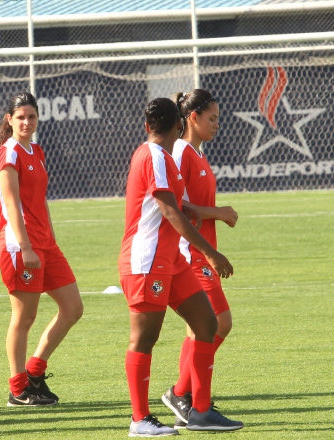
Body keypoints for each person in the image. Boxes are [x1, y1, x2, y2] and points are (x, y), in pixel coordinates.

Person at [119, 98, 244, 436]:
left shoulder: (164, 158)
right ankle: (139, 419)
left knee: (207, 324)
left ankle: (200, 411)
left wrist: (192, 211)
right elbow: (170, 212)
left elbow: (176, 205)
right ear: (179, 125)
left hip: (172, 261)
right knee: (145, 338)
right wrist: (212, 254)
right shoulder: (155, 156)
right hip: (147, 261)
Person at [0, 92, 83, 406]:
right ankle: (18, 389)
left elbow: (39, 200)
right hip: (21, 247)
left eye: (31, 116)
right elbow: (11, 205)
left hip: (45, 244)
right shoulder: (9, 153)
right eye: (20, 117)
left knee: (73, 308)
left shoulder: (36, 150)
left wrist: (50, 238)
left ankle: (34, 371)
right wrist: (28, 247)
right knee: (24, 317)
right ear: (10, 120)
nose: (27, 122)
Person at [161, 90, 239, 429]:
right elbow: (177, 208)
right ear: (192, 118)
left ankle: (184, 394)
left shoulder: (196, 152)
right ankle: (182, 392)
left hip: (200, 251)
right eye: (212, 118)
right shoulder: (180, 152)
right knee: (217, 322)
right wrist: (219, 213)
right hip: (188, 253)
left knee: (205, 327)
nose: (217, 125)